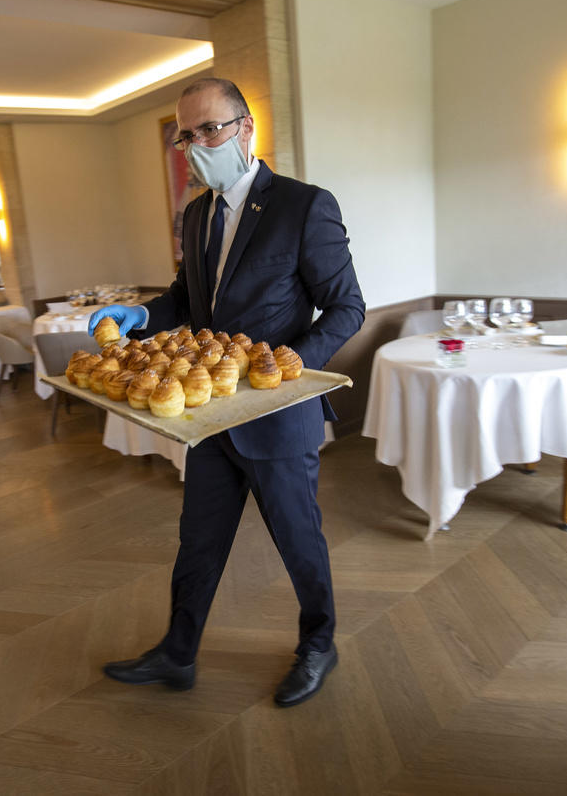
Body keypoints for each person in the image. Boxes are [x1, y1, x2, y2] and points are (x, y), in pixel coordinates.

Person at [88, 78, 365, 707]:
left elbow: (347, 307)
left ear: (245, 129)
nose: (196, 145)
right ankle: (177, 653)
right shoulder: (196, 214)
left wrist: (292, 367)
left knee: (298, 539)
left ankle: (318, 644)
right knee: (198, 540)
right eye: (186, 135)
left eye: (209, 129)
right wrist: (143, 315)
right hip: (210, 415)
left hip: (278, 417)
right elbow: (187, 300)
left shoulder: (303, 206)